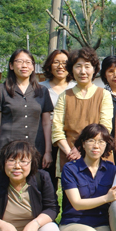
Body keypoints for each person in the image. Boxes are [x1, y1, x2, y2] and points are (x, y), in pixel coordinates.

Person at [60, 124, 116, 231]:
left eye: (102, 142)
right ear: (82, 143)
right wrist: (106, 198)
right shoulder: (70, 168)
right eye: (91, 141)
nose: (96, 146)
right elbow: (77, 204)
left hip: (100, 224)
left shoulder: (111, 169)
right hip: (73, 223)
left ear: (107, 145)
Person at [0, 49, 54, 173]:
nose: (24, 65)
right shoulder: (1, 90)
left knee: (34, 188)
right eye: (19, 61)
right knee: (6, 189)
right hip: (8, 151)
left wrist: (48, 152)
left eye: (28, 62)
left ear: (33, 67)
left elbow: (46, 124)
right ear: (11, 65)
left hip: (35, 150)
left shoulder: (42, 91)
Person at [52, 47, 113, 169]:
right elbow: (57, 128)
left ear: (94, 69)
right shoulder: (64, 96)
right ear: (71, 70)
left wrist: (81, 148)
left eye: (87, 66)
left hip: (98, 154)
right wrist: (70, 152)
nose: (83, 71)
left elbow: (105, 126)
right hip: (70, 156)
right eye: (78, 66)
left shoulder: (104, 94)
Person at [40, 49, 76, 191]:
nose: (60, 66)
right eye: (56, 62)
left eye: (64, 63)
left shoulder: (76, 87)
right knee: (47, 179)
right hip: (45, 138)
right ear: (49, 65)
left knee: (69, 179)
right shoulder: (40, 88)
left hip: (69, 139)